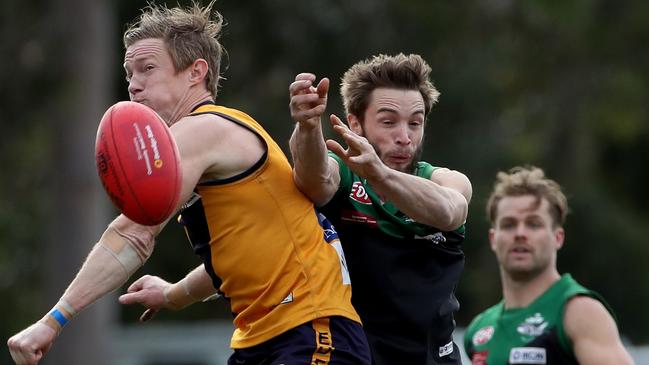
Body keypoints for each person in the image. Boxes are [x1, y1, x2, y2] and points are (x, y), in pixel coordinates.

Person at [6, 3, 371, 365]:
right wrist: (173, 295)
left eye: (147, 69)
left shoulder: (203, 128)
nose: (133, 84)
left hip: (312, 331)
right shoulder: (204, 150)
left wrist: (53, 320)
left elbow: (133, 235)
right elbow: (231, 261)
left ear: (196, 72)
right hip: (266, 339)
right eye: (129, 72)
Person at [289, 54, 473, 365]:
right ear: (355, 123)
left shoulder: (445, 179)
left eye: (415, 123)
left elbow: (450, 211)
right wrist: (308, 128)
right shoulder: (344, 176)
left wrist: (380, 174)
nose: (404, 137)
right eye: (388, 122)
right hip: (352, 356)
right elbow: (314, 179)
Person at [463, 166, 634, 365]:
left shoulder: (580, 312)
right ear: (493, 239)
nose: (520, 233)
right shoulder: (479, 330)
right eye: (509, 224)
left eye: (533, 224)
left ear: (558, 237)